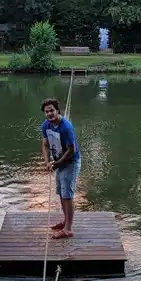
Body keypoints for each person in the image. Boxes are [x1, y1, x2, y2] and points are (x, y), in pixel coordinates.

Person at [40, 97, 81, 238]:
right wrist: (47, 162)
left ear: (57, 110)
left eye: (52, 110)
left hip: (70, 163)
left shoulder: (66, 127)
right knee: (61, 194)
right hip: (59, 163)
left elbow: (72, 150)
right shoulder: (46, 125)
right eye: (47, 112)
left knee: (67, 196)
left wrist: (58, 163)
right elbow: (45, 145)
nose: (49, 114)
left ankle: (68, 229)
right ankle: (65, 221)